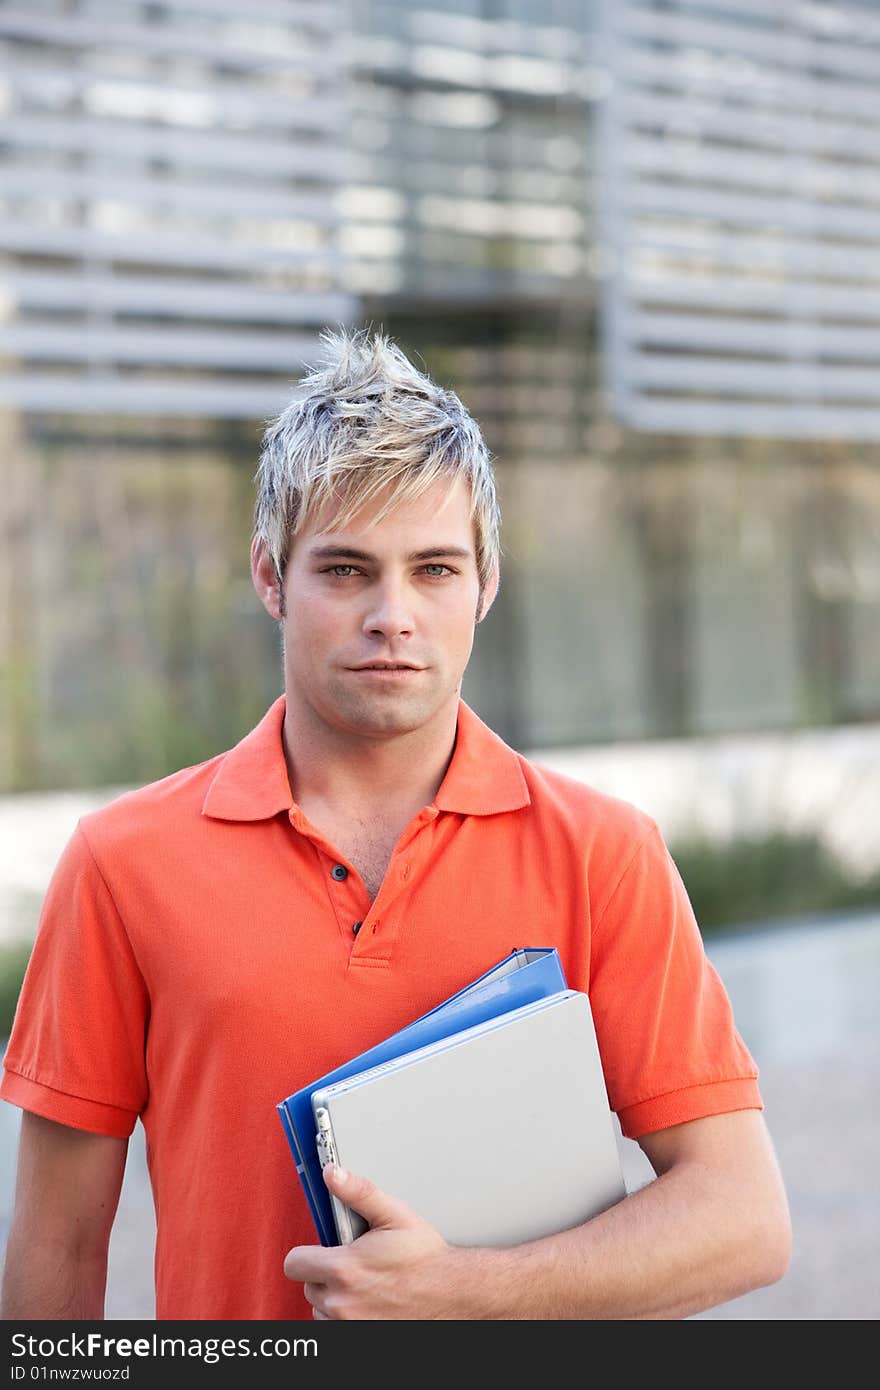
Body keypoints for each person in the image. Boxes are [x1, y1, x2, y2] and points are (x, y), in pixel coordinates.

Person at [0, 329, 791, 1321]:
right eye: (344, 571)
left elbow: (741, 1217)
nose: (393, 615)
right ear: (268, 577)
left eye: (433, 570)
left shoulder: (604, 854)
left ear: (485, 585)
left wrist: (468, 1292)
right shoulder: (123, 864)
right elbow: (57, 1245)